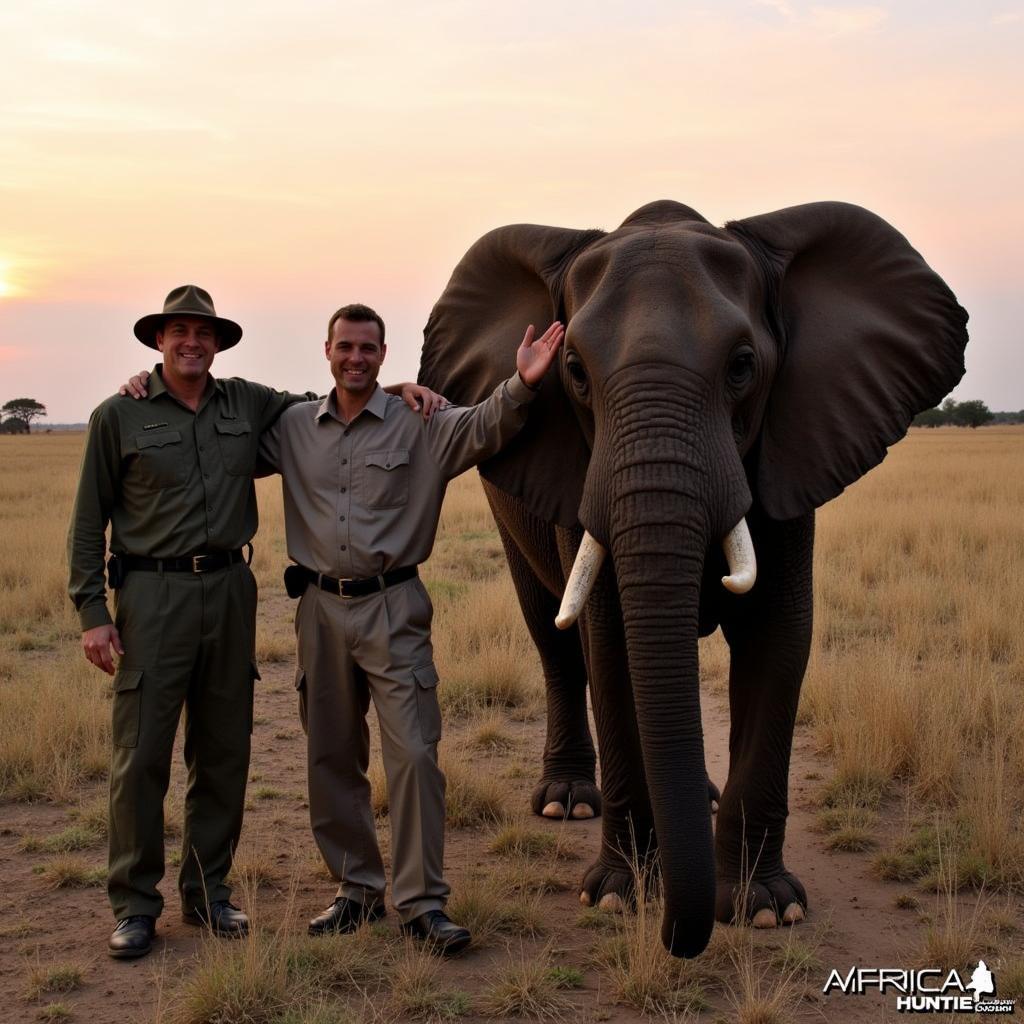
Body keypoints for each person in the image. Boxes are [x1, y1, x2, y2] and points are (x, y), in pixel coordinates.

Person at [72, 285, 437, 960]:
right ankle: (135, 905)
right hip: (150, 597)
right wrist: (94, 613)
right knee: (140, 757)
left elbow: (340, 404)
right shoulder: (117, 415)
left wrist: (403, 388)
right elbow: (89, 520)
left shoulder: (248, 403)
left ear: (217, 343)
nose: (192, 343)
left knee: (223, 753)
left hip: (230, 591)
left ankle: (208, 893)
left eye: (203, 333)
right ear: (158, 340)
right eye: (179, 332)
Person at [257, 303, 563, 955]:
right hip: (317, 608)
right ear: (327, 349)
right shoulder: (290, 428)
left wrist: (526, 381)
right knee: (330, 754)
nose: (356, 359)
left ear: (383, 352)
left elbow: (485, 426)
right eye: (345, 347)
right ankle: (356, 891)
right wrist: (150, 388)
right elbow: (224, 425)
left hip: (393, 607)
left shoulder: (420, 426)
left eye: (368, 350)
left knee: (416, 753)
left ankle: (423, 903)